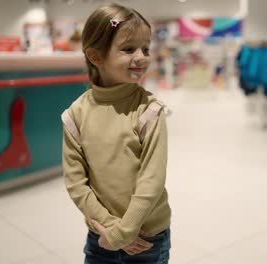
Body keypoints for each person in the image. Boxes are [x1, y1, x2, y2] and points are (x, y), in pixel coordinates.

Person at [61, 3, 172, 263]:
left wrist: (123, 232)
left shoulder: (150, 111)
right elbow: (76, 182)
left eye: (145, 48)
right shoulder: (75, 114)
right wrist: (112, 228)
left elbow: (151, 180)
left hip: (147, 238)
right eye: (128, 48)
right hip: (101, 235)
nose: (141, 56)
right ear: (96, 55)